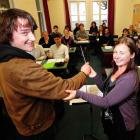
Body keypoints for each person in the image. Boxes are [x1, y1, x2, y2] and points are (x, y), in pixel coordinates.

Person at [0, 8, 91, 140]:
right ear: (7, 35)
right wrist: (83, 73)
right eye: (25, 32)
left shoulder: (5, 60)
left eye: (32, 31)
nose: (32, 37)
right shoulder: (22, 68)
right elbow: (64, 88)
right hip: (37, 129)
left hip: (22, 124)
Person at [64, 37, 139, 140]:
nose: (116, 56)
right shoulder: (118, 68)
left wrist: (78, 93)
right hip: (111, 118)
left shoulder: (129, 78)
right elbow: (105, 88)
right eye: (115, 52)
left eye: (121, 53)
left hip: (123, 125)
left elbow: (106, 101)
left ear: (132, 54)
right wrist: (93, 74)